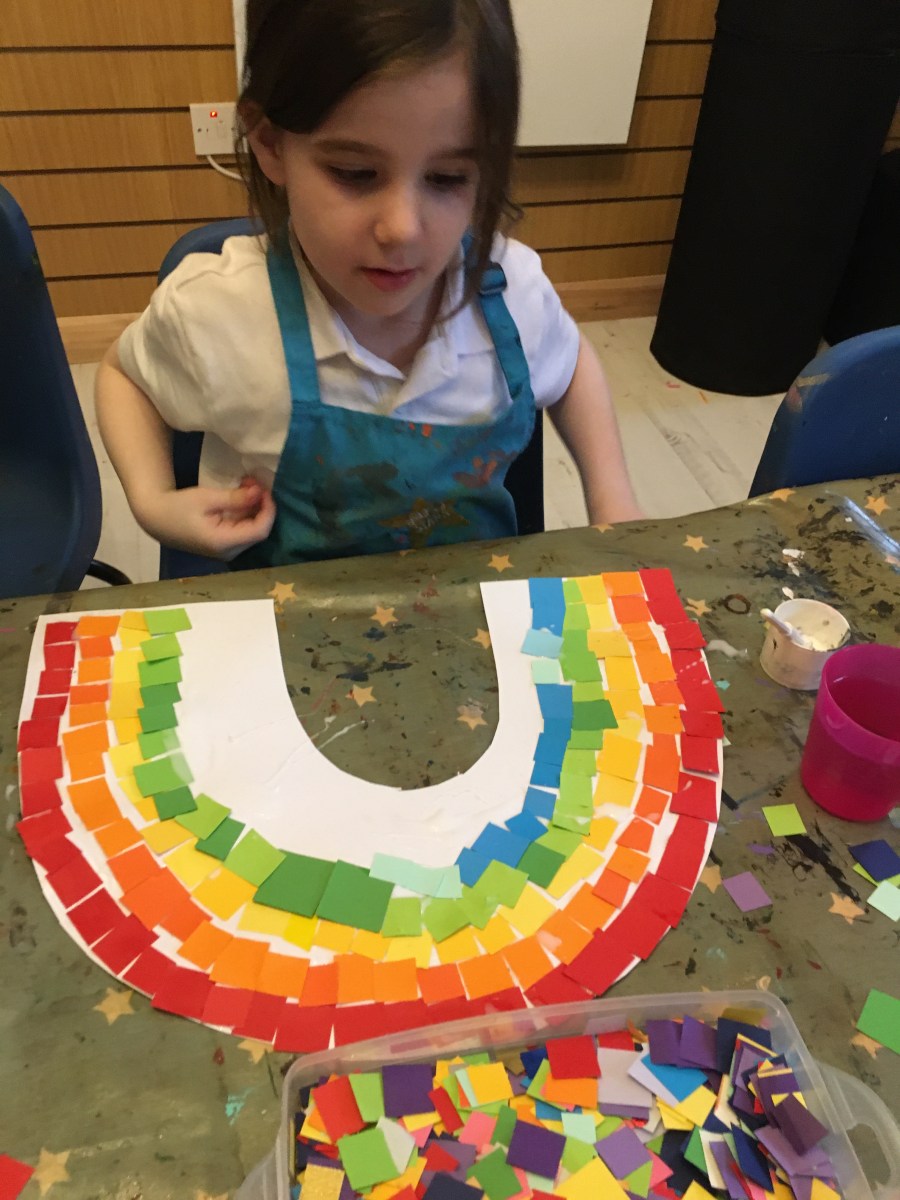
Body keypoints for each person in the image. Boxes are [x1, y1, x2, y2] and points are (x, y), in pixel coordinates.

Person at [95, 0, 642, 568]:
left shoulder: (513, 296)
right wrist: (152, 500)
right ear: (271, 144)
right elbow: (124, 375)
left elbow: (571, 364)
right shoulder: (220, 311)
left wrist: (612, 496)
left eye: (447, 178)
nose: (402, 228)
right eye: (355, 174)